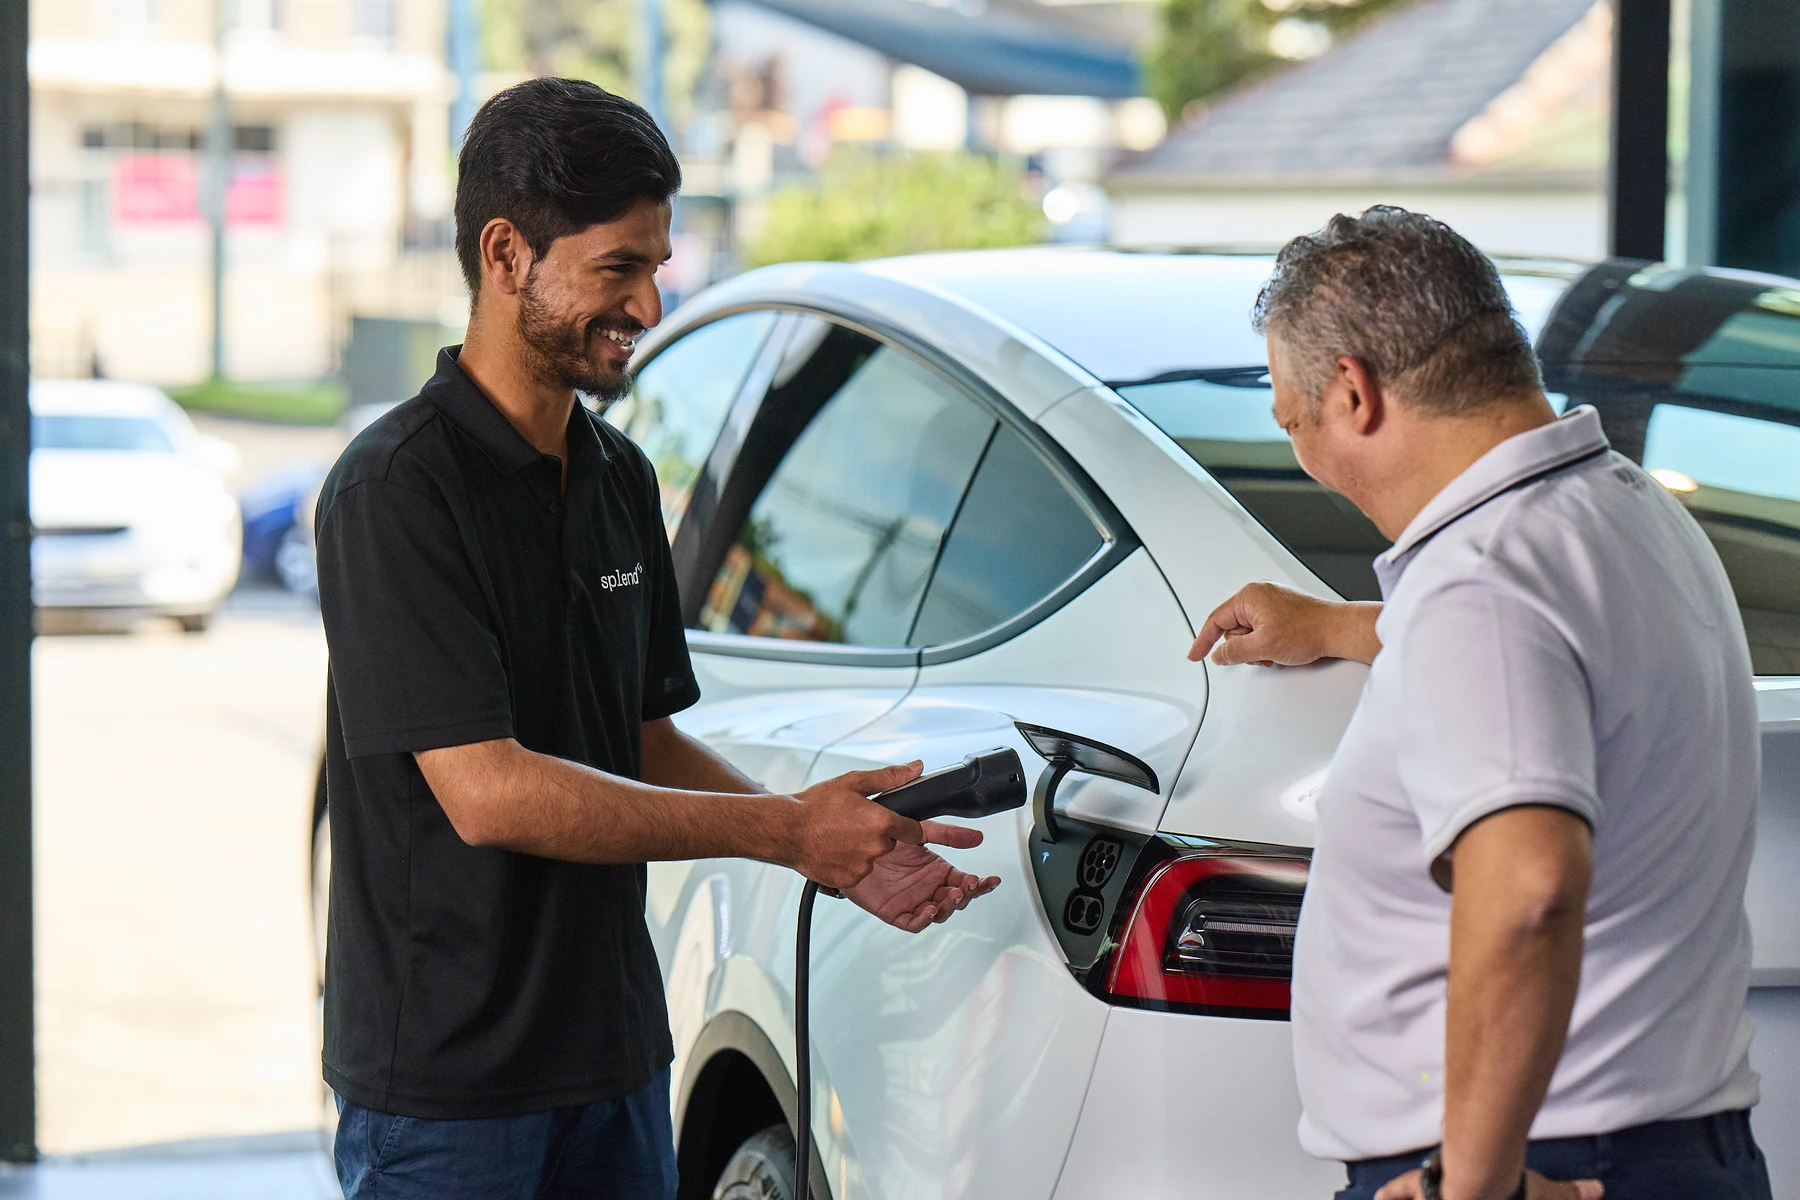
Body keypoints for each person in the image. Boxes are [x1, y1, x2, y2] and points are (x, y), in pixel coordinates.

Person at [313, 78, 999, 1200]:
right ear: (505, 255)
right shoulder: (397, 490)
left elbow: (637, 735)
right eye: (617, 269)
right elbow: (486, 792)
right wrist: (784, 832)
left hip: (616, 1060)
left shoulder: (619, 477)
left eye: (657, 268)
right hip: (448, 1092)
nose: (647, 305)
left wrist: (842, 849)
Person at [1189, 207, 1772, 1200]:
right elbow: (1540, 654)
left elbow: (1530, 888)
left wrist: (1475, 1183)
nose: (1300, 451)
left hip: (1539, 1161)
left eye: (1293, 421)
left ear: (1354, 395)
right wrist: (1338, 627)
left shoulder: (1480, 584)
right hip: (1673, 1151)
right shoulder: (1624, 509)